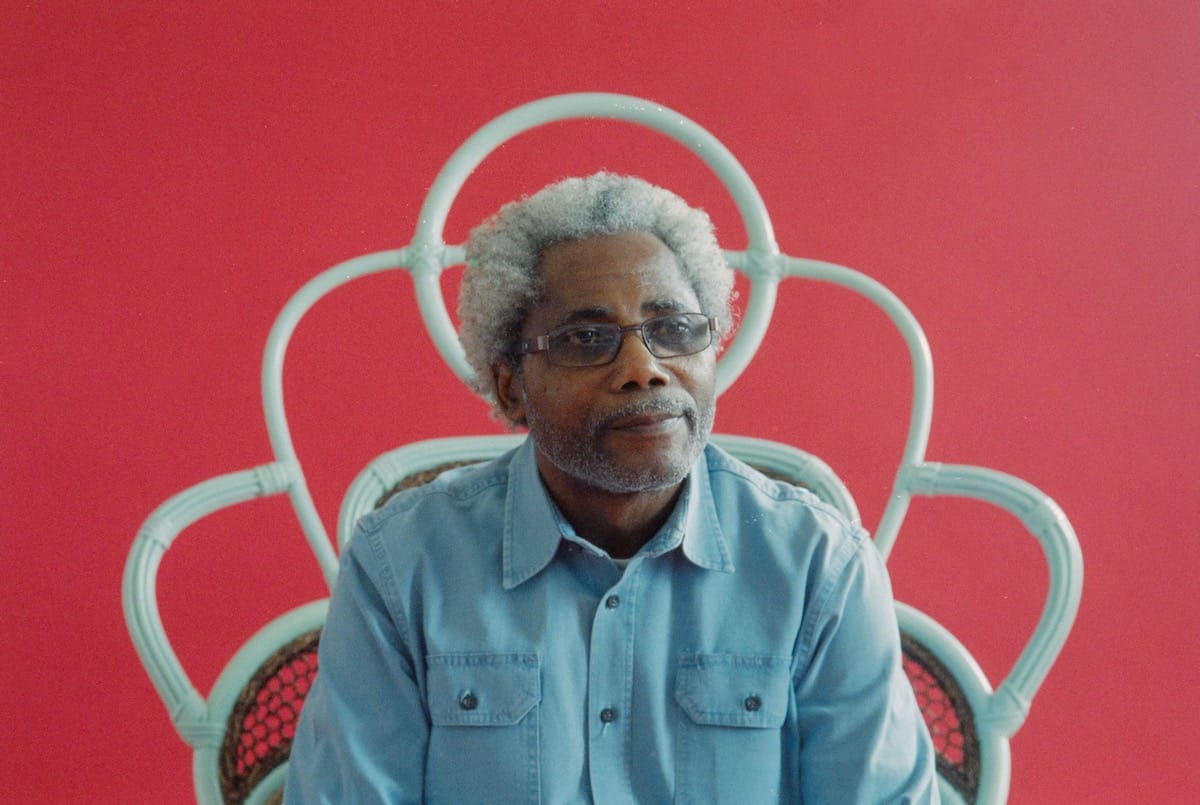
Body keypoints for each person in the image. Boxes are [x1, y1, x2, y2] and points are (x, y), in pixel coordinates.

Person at [284, 173, 940, 803]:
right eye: (587, 338)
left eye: (675, 329)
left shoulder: (820, 568)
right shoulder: (401, 567)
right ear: (512, 384)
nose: (643, 369)